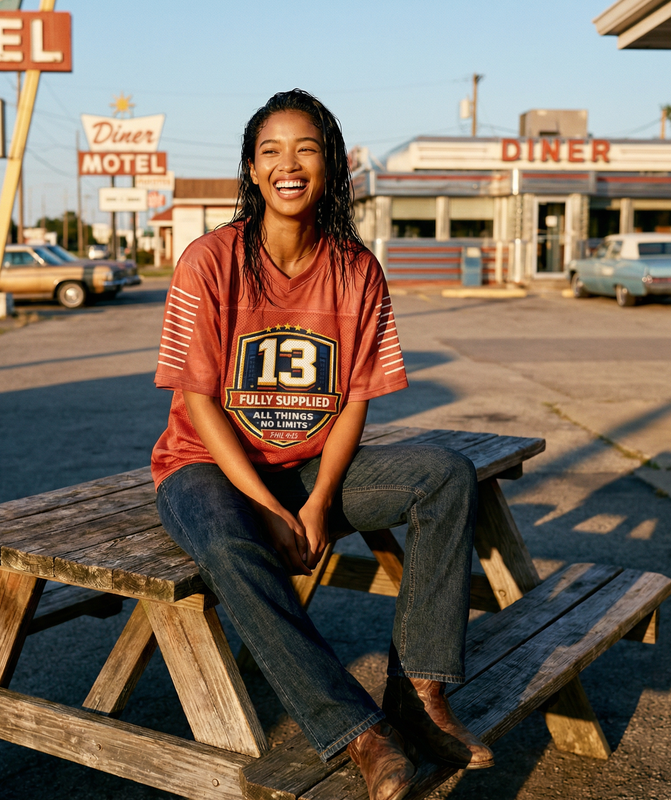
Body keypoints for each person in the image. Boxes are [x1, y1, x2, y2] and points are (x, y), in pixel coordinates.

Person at [151, 89, 493, 800]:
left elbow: (353, 403)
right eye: (271, 150)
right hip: (206, 467)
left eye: (306, 148)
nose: (289, 164)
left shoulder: (357, 270)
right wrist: (268, 509)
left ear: (331, 167)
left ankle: (421, 698)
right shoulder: (209, 261)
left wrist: (318, 505)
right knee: (232, 544)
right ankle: (361, 734)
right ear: (251, 170)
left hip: (306, 469)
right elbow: (199, 401)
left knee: (447, 474)